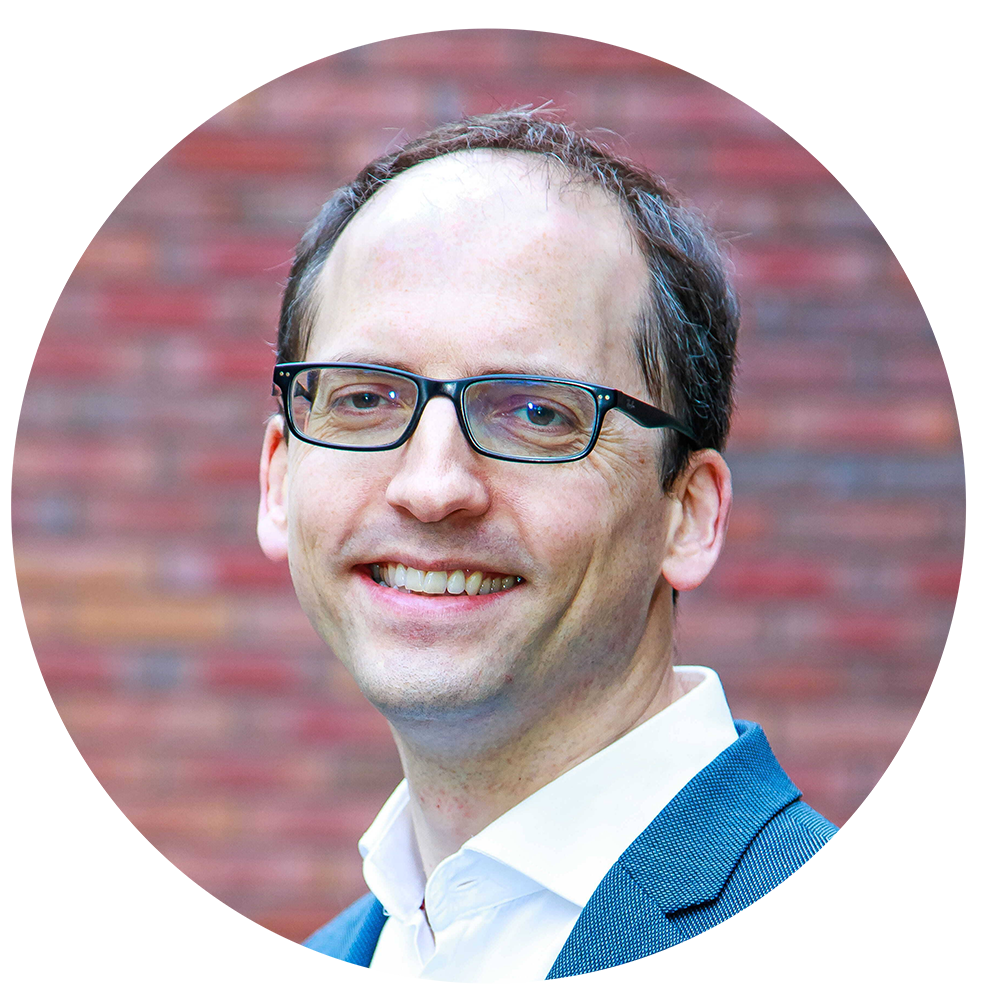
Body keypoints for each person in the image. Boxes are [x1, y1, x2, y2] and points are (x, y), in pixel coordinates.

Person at [256, 109, 966, 984]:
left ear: (688, 514)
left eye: (536, 411)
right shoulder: (320, 972)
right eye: (364, 398)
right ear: (279, 478)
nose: (432, 487)